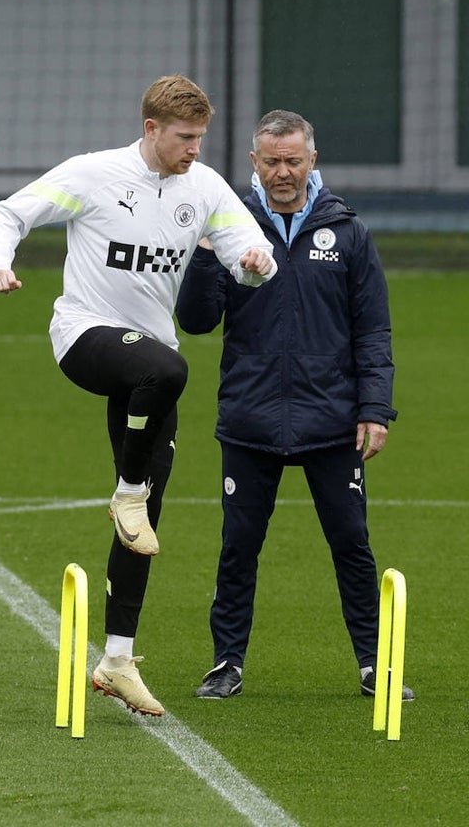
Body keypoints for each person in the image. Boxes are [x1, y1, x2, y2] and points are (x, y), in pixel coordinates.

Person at [0, 75, 277, 716]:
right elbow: (12, 212)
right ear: (150, 130)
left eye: (201, 137)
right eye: (184, 138)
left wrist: (256, 264)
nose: (195, 148)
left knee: (145, 525)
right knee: (168, 375)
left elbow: (250, 251)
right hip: (83, 336)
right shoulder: (94, 174)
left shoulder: (204, 187)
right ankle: (126, 491)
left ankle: (115, 658)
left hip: (150, 355)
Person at [176, 110, 413, 702]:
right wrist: (206, 251)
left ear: (312, 161)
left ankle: (374, 665)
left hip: (332, 421)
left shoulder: (348, 232)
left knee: (351, 544)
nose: (284, 172)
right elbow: (196, 322)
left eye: (294, 161)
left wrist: (374, 409)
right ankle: (226, 663)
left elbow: (373, 332)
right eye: (272, 161)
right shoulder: (230, 225)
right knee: (239, 547)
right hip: (251, 419)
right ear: (254, 163)